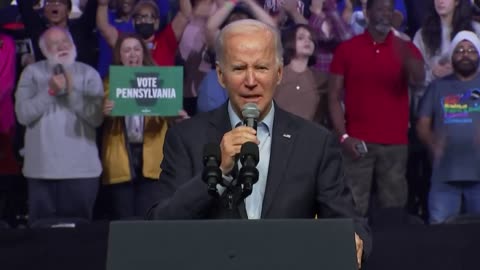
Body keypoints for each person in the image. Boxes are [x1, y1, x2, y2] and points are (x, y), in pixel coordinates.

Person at [148, 19, 370, 267]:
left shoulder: (315, 142)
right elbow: (160, 223)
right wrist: (219, 172)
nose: (251, 80)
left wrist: (354, 239)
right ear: (221, 75)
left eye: (262, 68)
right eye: (239, 68)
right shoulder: (186, 137)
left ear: (279, 73)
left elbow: (349, 222)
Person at [328, 0, 425, 217]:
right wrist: (343, 137)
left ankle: (393, 251)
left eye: (390, 10)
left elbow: (419, 81)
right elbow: (333, 97)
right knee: (352, 208)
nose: (385, 14)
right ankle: (351, 250)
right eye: (380, 8)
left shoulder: (406, 48)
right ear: (367, 12)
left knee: (394, 209)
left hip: (395, 144)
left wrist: (403, 49)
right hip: (357, 143)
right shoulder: (347, 49)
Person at [15, 27, 104, 225]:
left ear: (73, 45)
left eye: (65, 41)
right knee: (41, 237)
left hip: (82, 172)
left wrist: (72, 92)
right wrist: (50, 91)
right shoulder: (32, 73)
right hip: (41, 171)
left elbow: (96, 118)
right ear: (45, 50)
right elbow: (23, 115)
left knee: (80, 238)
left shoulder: (89, 73)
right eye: (55, 43)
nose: (62, 46)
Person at [101, 33, 169, 220]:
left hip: (152, 157)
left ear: (143, 53)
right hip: (122, 156)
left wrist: (175, 115)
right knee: (125, 219)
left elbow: (169, 114)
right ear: (119, 55)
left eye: (137, 49)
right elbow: (100, 109)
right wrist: (104, 109)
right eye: (127, 50)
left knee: (148, 218)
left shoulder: (159, 79)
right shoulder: (109, 82)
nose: (132, 54)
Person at [417, 31, 480, 224]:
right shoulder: (437, 87)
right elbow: (422, 124)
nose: (465, 54)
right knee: (440, 237)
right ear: (452, 56)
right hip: (444, 174)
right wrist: (432, 144)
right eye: (459, 50)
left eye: (471, 50)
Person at [97, 0, 192, 66]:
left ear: (156, 22)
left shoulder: (167, 39)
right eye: (139, 18)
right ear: (133, 23)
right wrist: (102, 5)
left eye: (148, 17)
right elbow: (104, 28)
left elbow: (185, 14)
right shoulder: (125, 42)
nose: (143, 21)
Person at [274, 24, 328, 125]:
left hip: (308, 136)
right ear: (290, 41)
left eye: (311, 39)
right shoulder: (276, 75)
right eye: (301, 38)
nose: (307, 41)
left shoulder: (321, 79)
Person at [18, 0, 98, 67]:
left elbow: (93, 8)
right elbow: (25, 7)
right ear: (44, 10)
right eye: (49, 3)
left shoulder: (81, 28)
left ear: (68, 10)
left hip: (79, 82)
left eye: (59, 3)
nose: (54, 7)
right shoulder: (38, 30)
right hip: (46, 82)